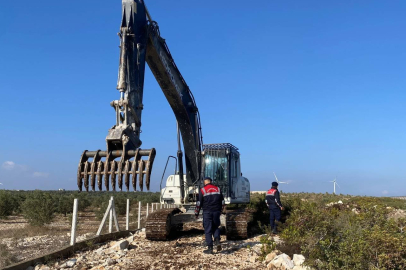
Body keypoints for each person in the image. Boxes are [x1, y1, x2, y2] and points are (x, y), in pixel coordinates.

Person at [195, 177, 225, 254]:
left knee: (208, 229)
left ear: (205, 182)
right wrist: (220, 210)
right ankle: (217, 240)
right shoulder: (218, 189)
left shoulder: (203, 190)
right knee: (216, 227)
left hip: (207, 212)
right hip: (216, 212)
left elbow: (199, 203)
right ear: (211, 181)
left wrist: (196, 213)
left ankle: (210, 248)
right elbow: (223, 201)